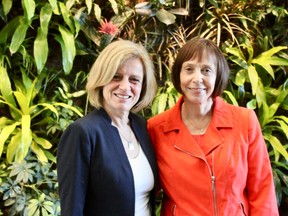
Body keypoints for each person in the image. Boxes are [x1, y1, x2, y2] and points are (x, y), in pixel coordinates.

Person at [147, 37, 279, 215]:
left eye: (206, 70)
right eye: (189, 69)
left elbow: (262, 190)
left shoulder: (244, 121)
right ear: (178, 74)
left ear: (218, 76)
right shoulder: (156, 128)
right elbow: (143, 187)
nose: (197, 78)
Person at [57, 40, 158, 216]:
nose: (125, 86)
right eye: (116, 76)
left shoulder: (142, 127)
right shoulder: (83, 133)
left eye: (134, 80)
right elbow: (72, 210)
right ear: (101, 79)